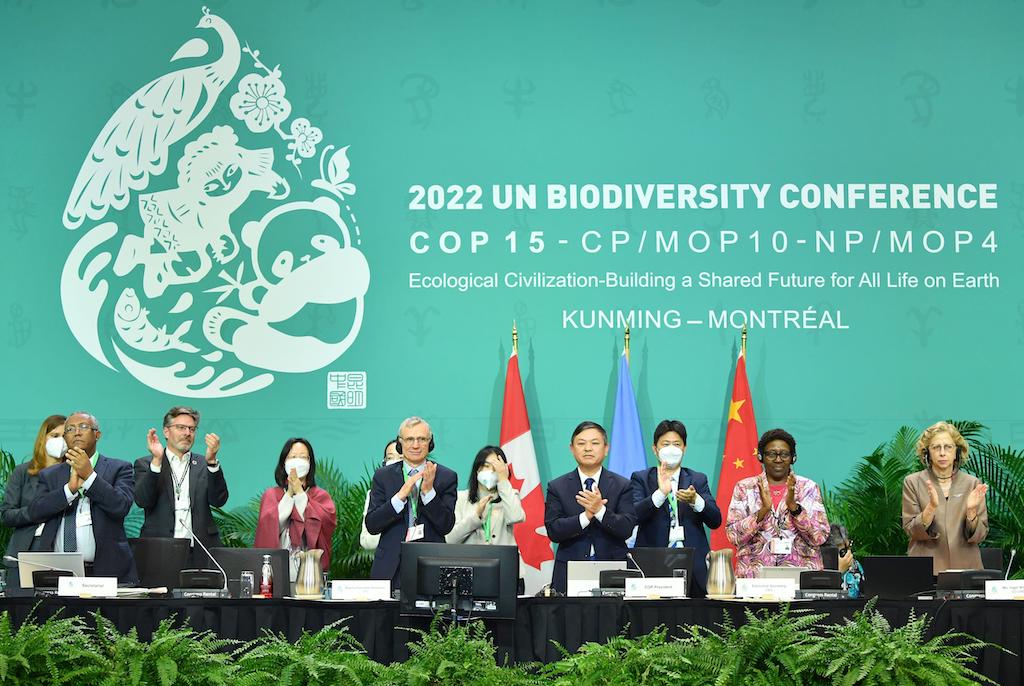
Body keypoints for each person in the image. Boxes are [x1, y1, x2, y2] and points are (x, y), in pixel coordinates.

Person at [27, 411, 137, 584]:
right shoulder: (50, 475)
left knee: (102, 613)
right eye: (70, 429)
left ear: (97, 434)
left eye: (83, 427)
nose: (77, 432)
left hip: (105, 571)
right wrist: (69, 490)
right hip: (59, 573)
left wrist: (90, 477)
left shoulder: (119, 468)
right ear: (65, 437)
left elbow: (121, 506)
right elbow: (35, 512)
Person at [364, 417, 458, 590]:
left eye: (422, 439)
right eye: (409, 439)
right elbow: (372, 524)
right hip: (390, 568)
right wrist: (398, 498)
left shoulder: (446, 476)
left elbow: (446, 525)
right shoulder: (383, 476)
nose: (416, 445)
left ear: (431, 443)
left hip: (431, 566)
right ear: (400, 443)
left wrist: (429, 493)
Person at [631, 419, 721, 596]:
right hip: (652, 564)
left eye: (676, 444)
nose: (671, 449)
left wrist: (696, 500)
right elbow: (633, 515)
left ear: (684, 448)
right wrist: (660, 494)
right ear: (655, 449)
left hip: (693, 564)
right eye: (665, 444)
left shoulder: (697, 479)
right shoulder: (641, 478)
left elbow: (715, 520)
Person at [544, 420, 636, 595]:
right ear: (572, 449)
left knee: (613, 622)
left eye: (594, 443)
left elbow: (627, 528)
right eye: (581, 443)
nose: (588, 448)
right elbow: (554, 530)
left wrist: (600, 511)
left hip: (612, 569)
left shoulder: (622, 485)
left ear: (606, 448)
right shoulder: (557, 486)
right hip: (570, 569)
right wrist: (586, 516)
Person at [725, 428, 830, 578]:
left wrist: (795, 509)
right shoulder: (745, 487)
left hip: (801, 574)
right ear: (761, 456)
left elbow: (820, 536)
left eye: (784, 454)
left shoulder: (808, 488)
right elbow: (733, 535)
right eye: (772, 454)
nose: (778, 459)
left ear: (793, 457)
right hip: (754, 574)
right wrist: (763, 511)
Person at [133, 406, 228, 567]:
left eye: (192, 429)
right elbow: (143, 500)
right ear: (166, 432)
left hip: (200, 550)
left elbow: (218, 500)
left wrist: (212, 462)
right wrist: (157, 462)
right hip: (160, 550)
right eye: (181, 428)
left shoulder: (204, 463)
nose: (187, 433)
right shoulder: (146, 463)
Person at [902, 421, 988, 574]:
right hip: (925, 570)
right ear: (927, 452)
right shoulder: (913, 482)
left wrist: (971, 512)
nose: (942, 453)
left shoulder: (972, 483)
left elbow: (980, 535)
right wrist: (931, 508)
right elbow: (911, 530)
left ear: (956, 452)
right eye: (936, 447)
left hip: (966, 569)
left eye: (948, 447)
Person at [1, 415, 66, 592]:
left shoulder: (74, 473)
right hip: (25, 550)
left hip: (62, 551)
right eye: (54, 435)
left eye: (64, 436)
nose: (60, 441)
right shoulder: (23, 472)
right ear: (43, 437)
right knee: (21, 615)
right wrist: (37, 512)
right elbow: (6, 515)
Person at [255, 438, 337, 572]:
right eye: (292, 457)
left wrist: (299, 493)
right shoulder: (271, 495)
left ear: (310, 463)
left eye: (303, 457)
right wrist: (289, 494)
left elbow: (322, 526)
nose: (297, 460)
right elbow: (268, 529)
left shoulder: (321, 496)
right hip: (278, 569)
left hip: (310, 572)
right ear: (284, 462)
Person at [447, 445, 525, 545]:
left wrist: (503, 480)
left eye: (496, 467)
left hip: (503, 558)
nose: (492, 471)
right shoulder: (461, 498)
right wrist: (475, 516)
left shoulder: (510, 495)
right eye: (487, 466)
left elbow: (516, 517)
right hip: (471, 559)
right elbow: (450, 539)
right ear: (478, 469)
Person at [359, 440, 401, 552]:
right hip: (387, 559)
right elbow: (366, 540)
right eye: (390, 458)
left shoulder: (424, 491)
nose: (395, 462)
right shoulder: (374, 494)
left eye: (400, 458)